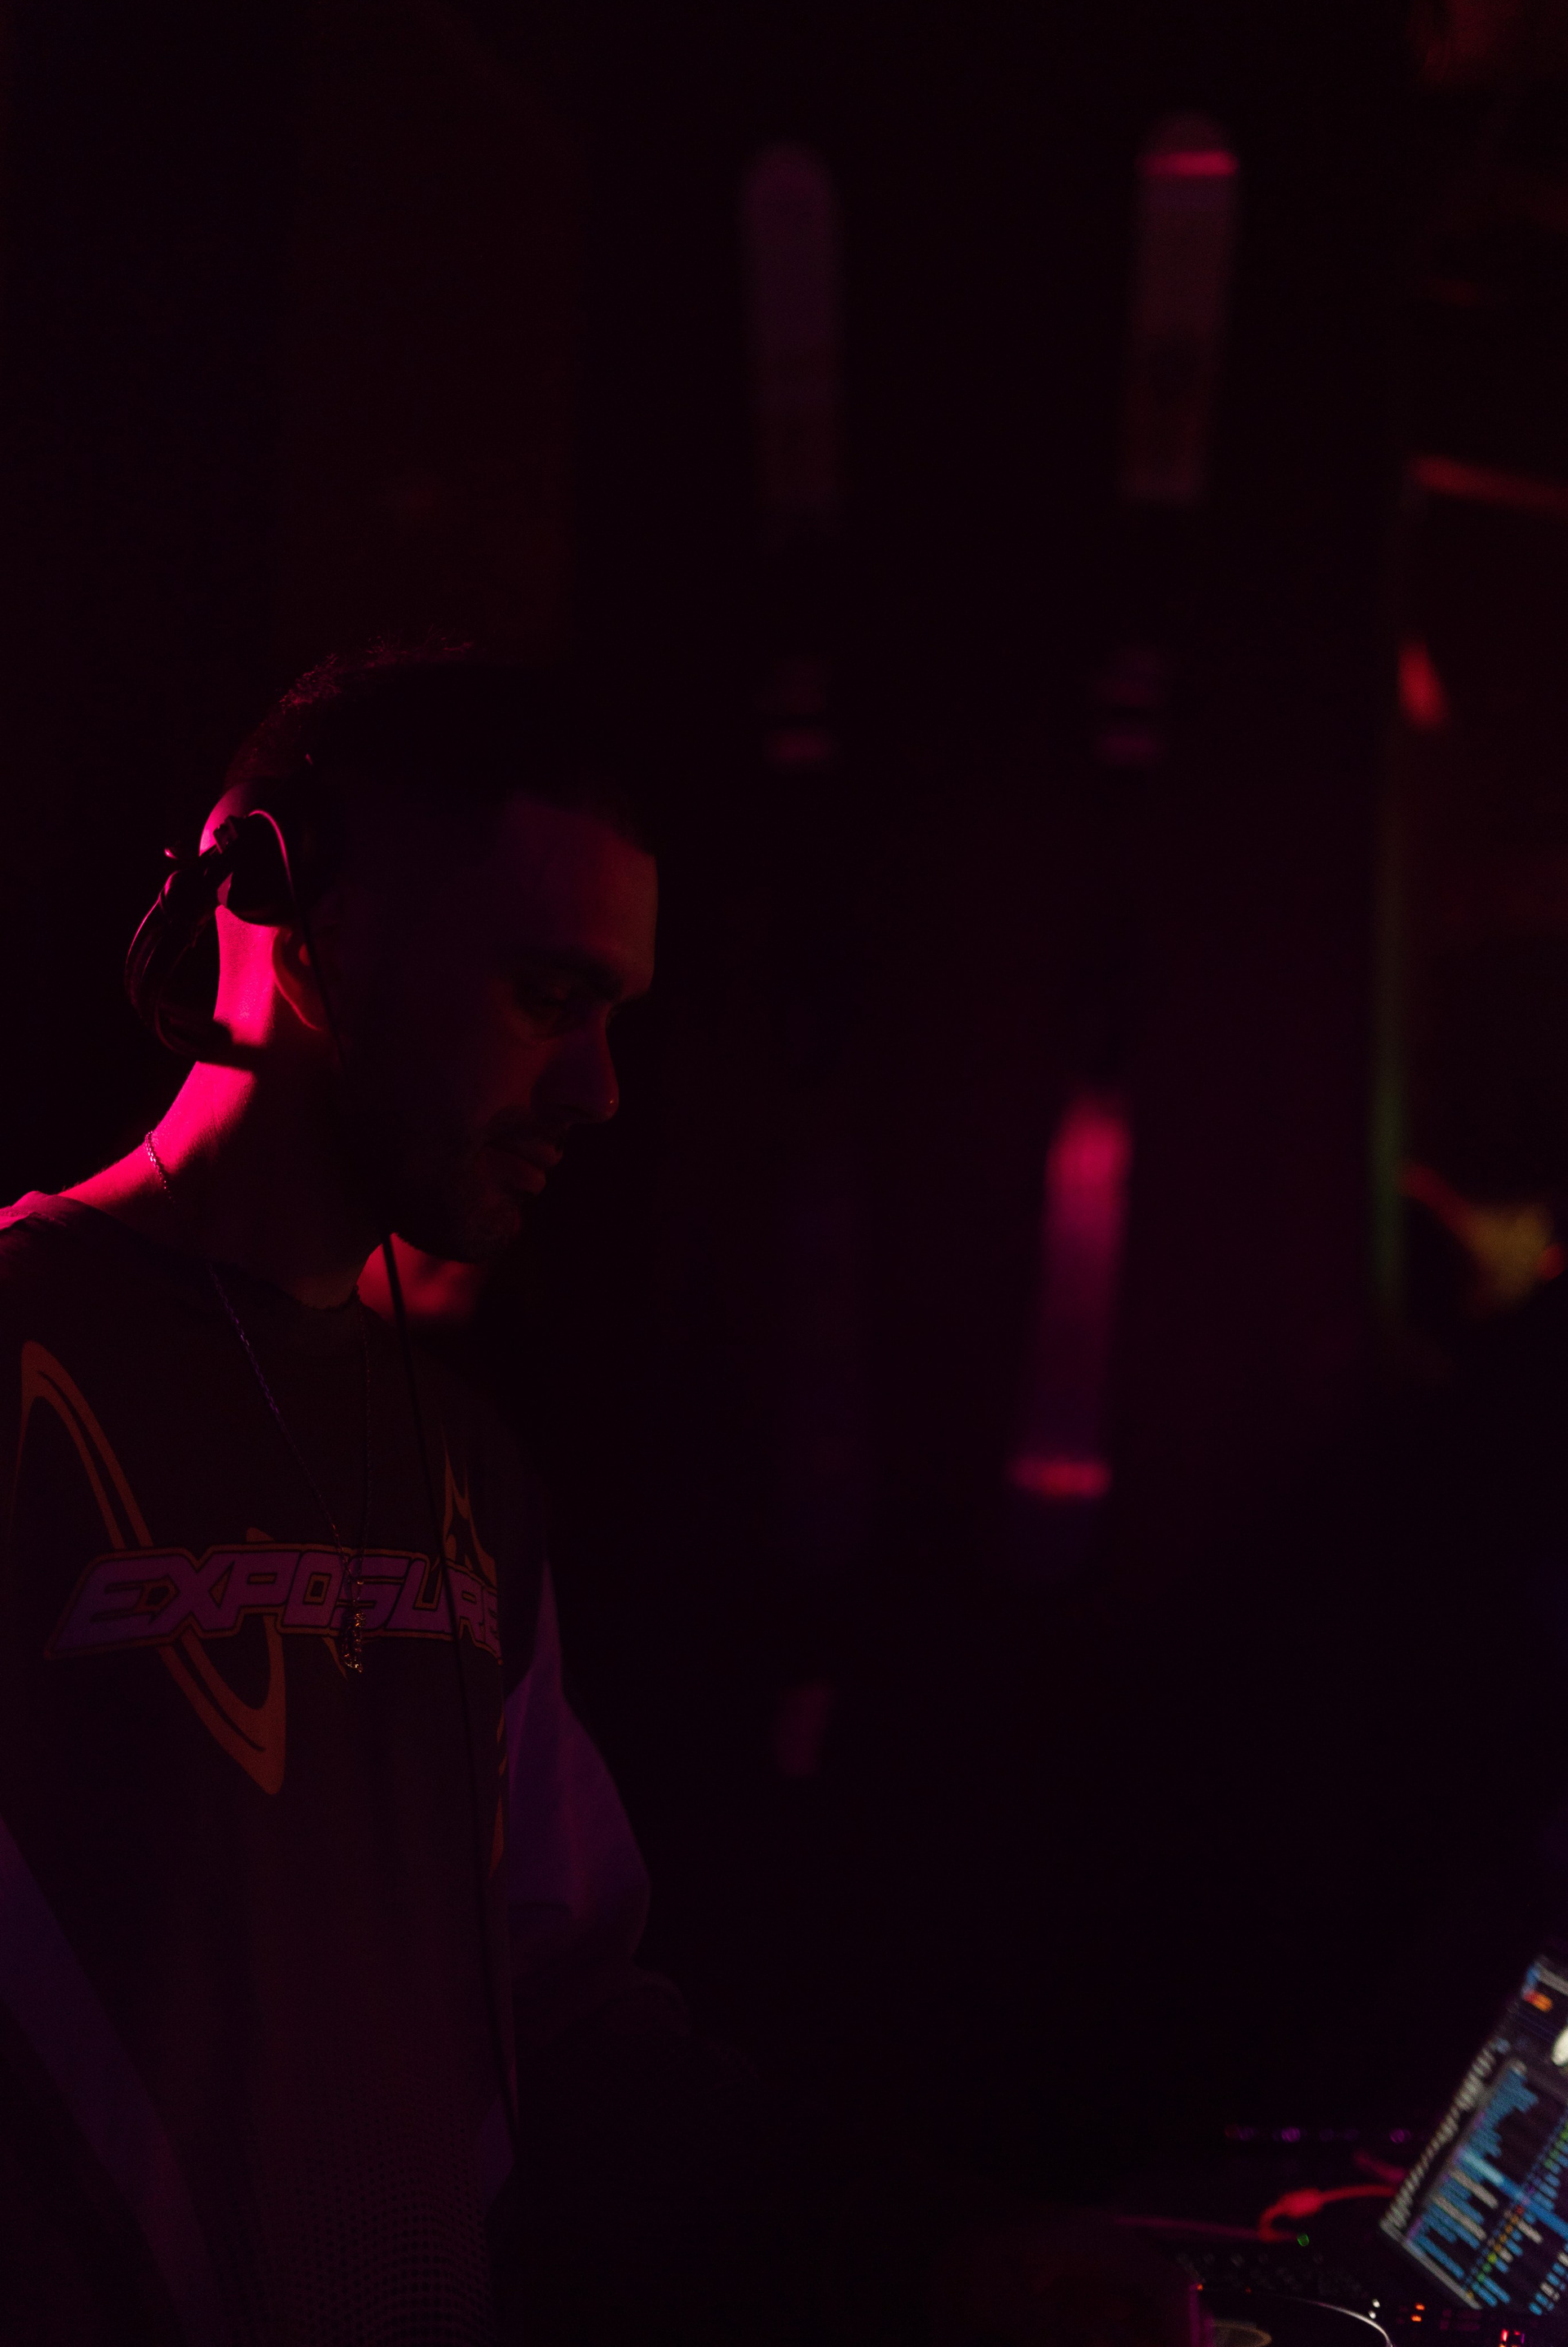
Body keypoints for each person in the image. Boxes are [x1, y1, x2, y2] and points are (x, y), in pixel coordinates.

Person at [0, 647, 1197, 2346]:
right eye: (545, 996)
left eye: (614, 1015)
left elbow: (559, 2019)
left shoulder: (459, 1467)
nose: (598, 1089)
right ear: (284, 904)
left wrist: (948, 2250)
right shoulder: (25, 1352)